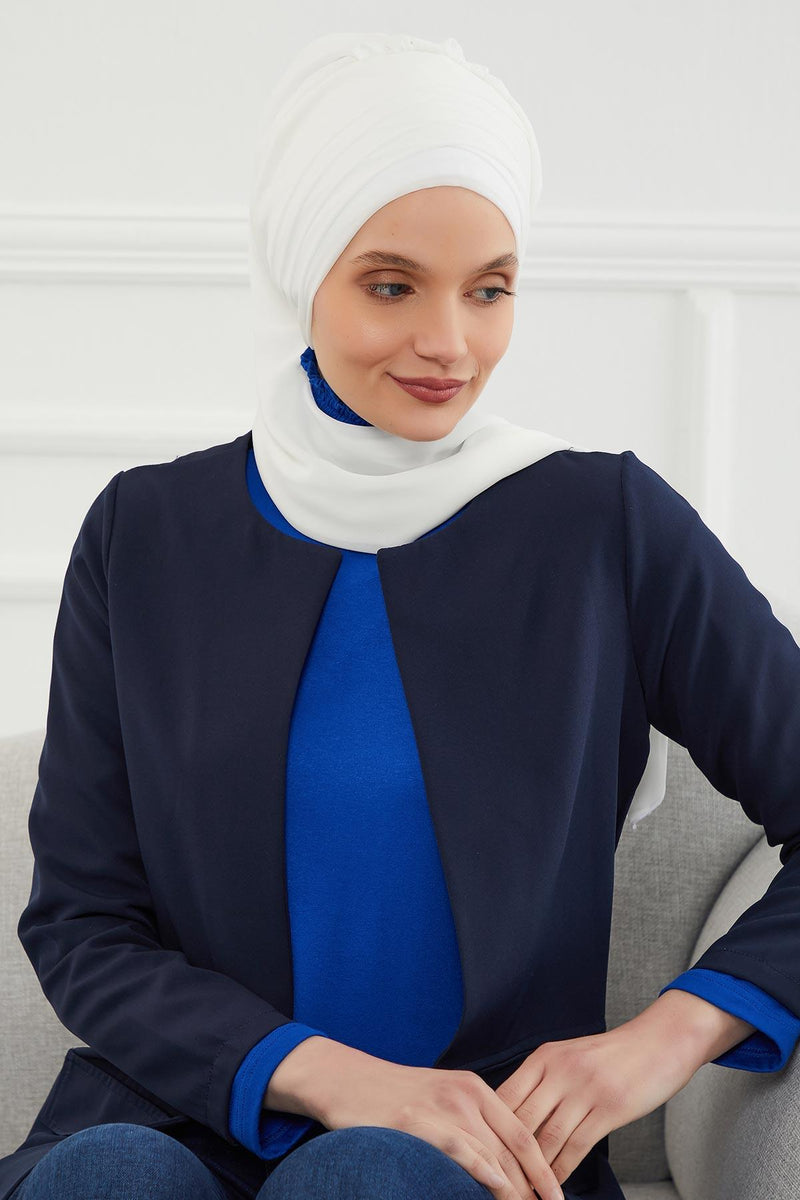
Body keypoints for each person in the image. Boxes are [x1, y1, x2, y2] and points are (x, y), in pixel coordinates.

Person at [2, 29, 800, 1200]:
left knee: (369, 1174)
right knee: (108, 1177)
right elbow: (82, 921)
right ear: (303, 276)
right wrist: (329, 1077)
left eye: (489, 290)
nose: (449, 343)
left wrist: (667, 1034)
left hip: (473, 1142)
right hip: (183, 1106)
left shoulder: (602, 525)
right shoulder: (144, 534)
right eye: (391, 285)